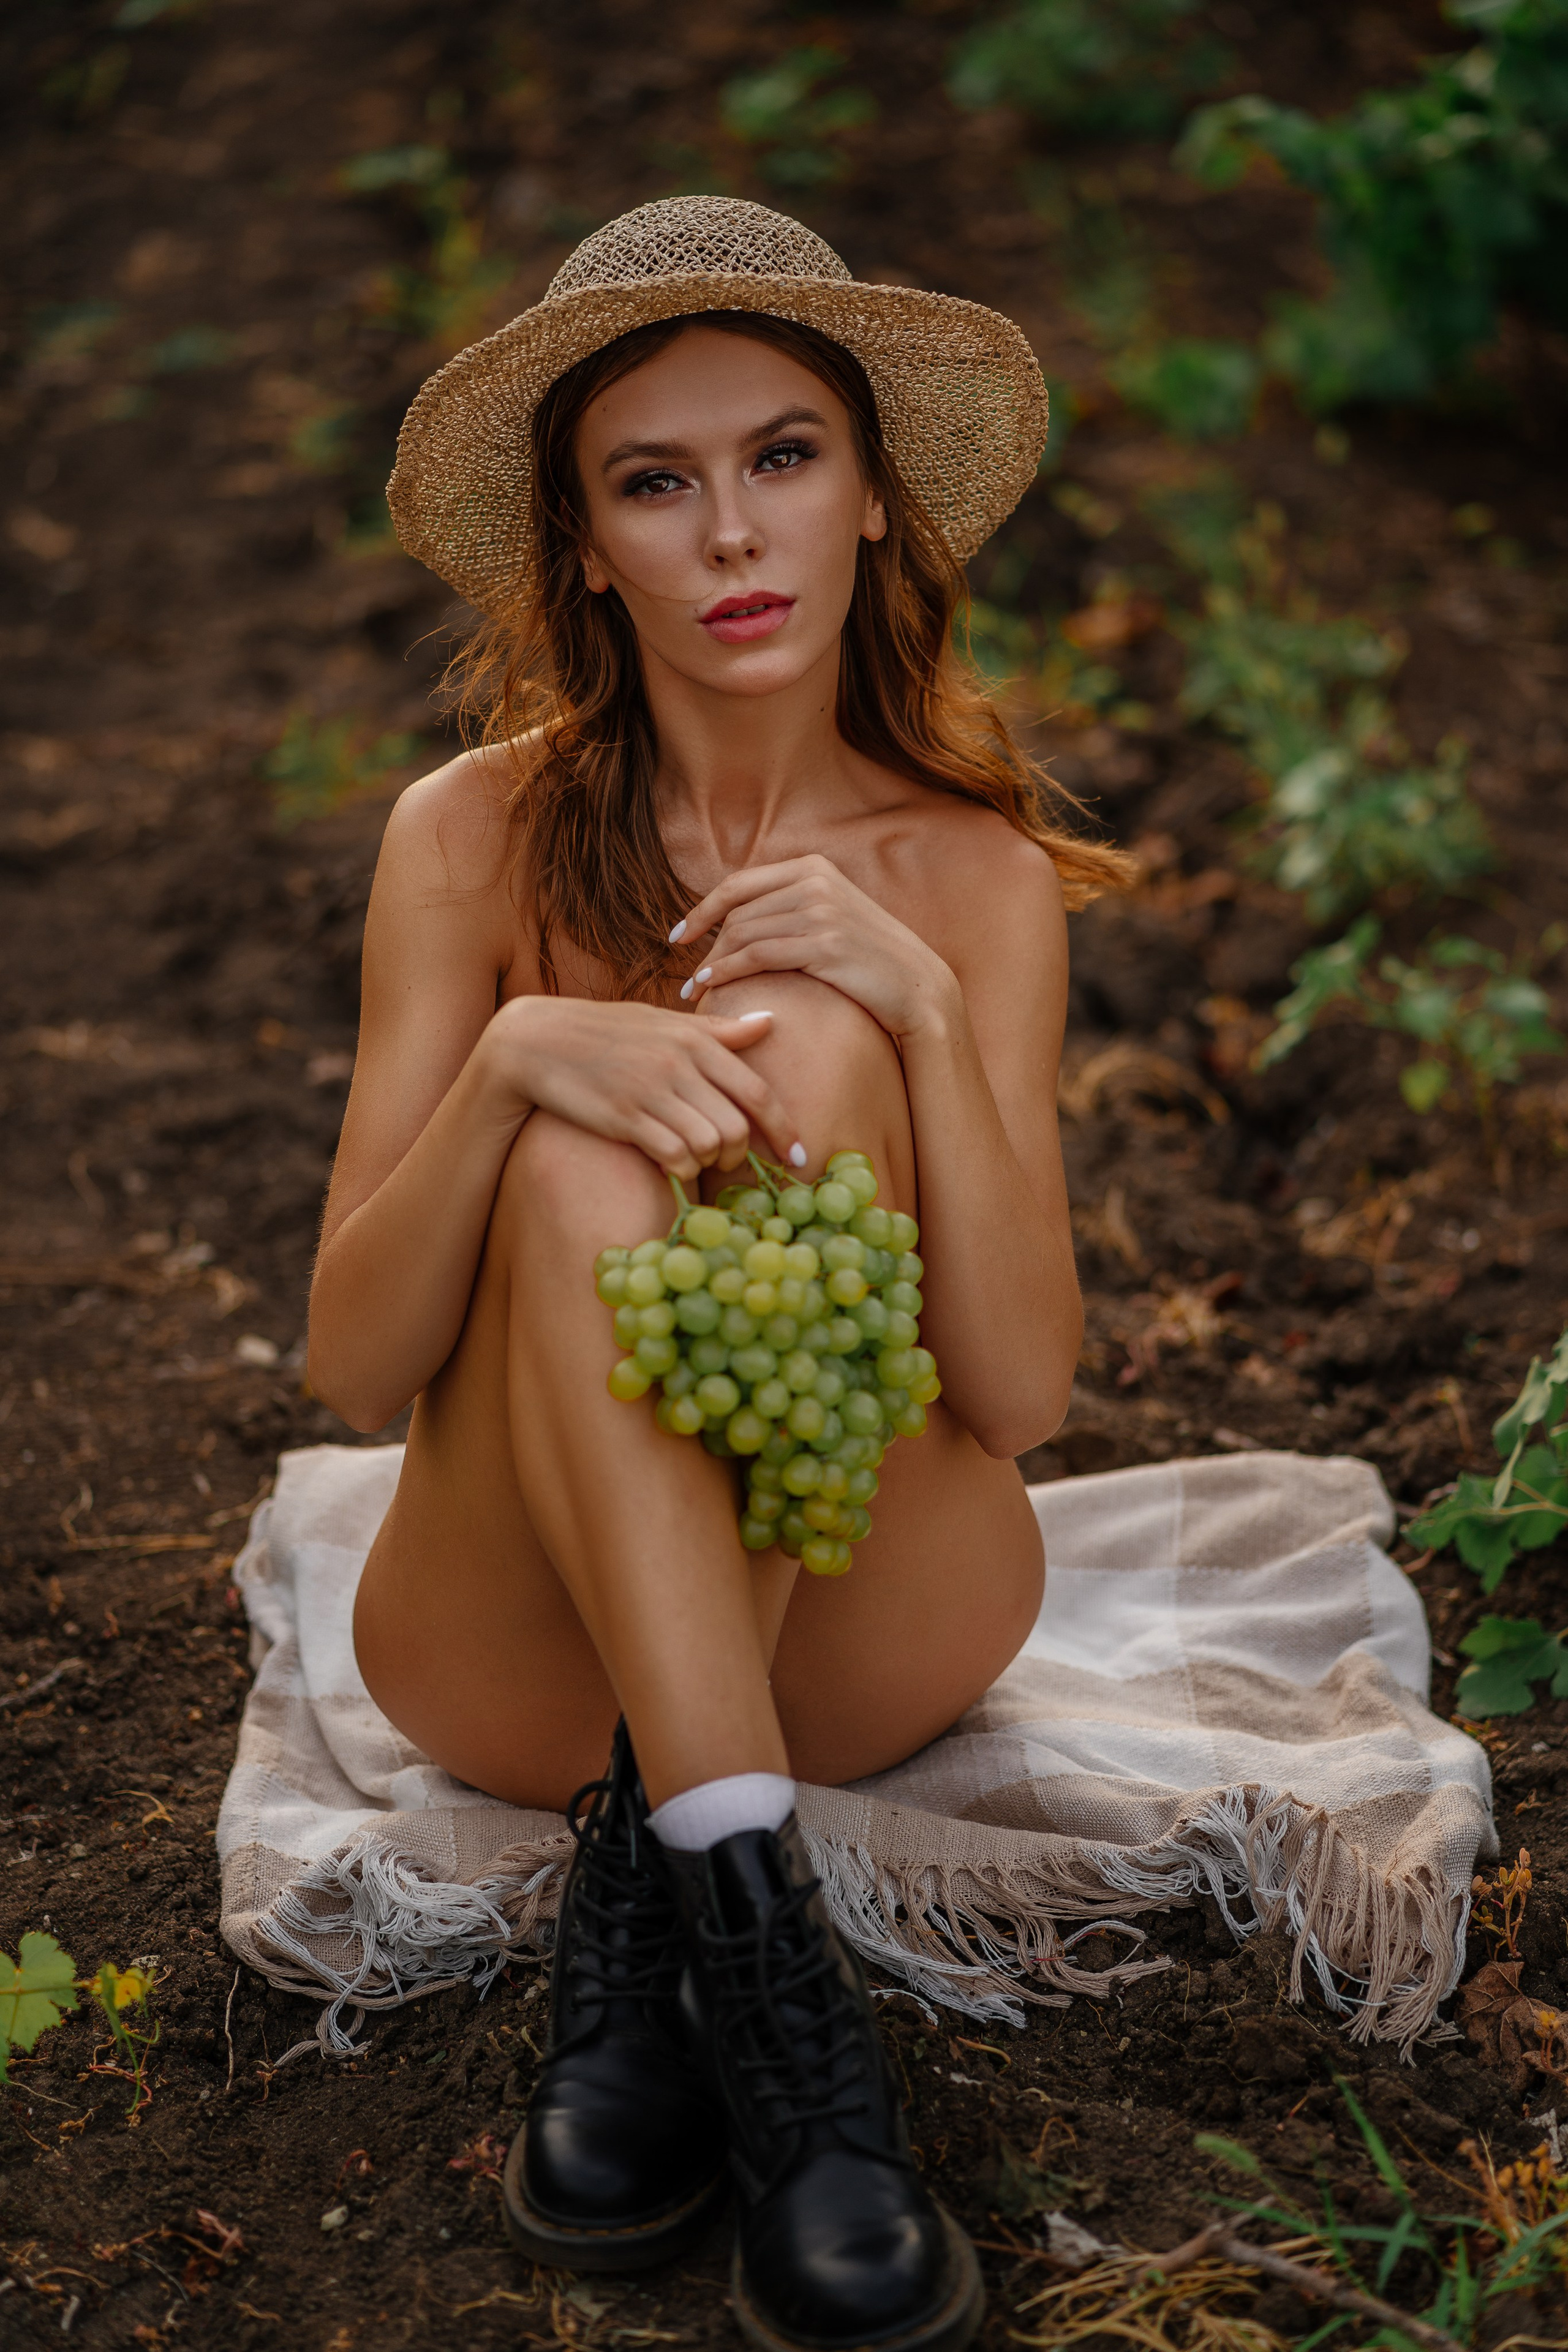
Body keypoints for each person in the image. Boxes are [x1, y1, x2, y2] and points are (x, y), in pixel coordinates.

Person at [306, 196, 1127, 2352]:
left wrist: (926, 1018)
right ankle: (780, 2008)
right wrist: (500, 1072)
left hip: (876, 1618)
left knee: (827, 1029)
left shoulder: (976, 878)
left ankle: (663, 1925)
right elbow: (355, 1357)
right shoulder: (469, 836)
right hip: (515, 1656)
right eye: (653, 484)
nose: (729, 532)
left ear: (871, 497)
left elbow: (1024, 1395)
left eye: (781, 457)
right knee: (579, 1139)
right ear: (586, 547)